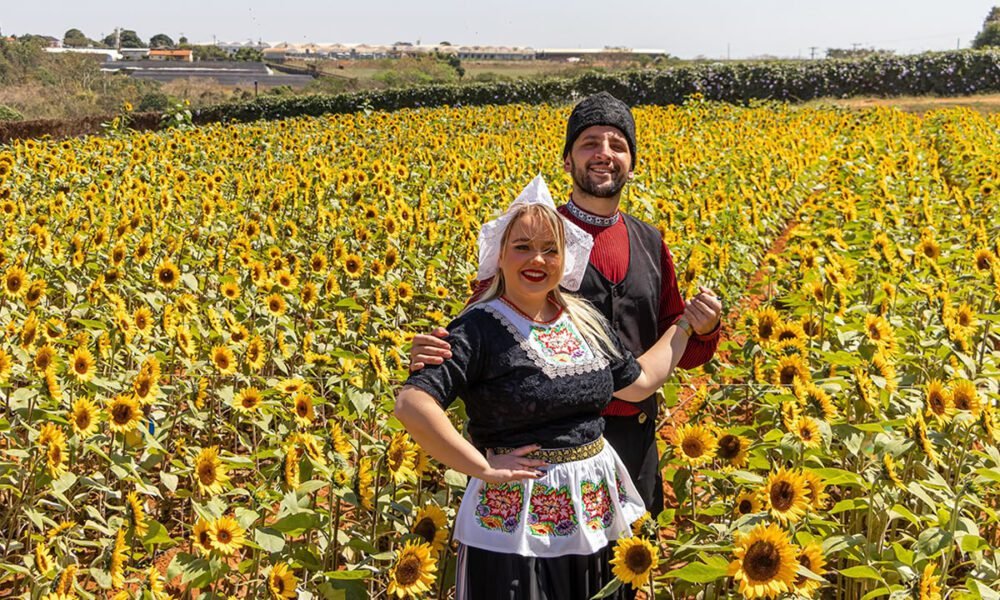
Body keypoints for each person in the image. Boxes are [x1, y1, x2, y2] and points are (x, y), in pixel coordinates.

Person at [410, 92, 723, 515]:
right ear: (567, 160)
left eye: (617, 145)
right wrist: (432, 355)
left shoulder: (649, 241)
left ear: (632, 164)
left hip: (632, 437)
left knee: (623, 571)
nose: (604, 154)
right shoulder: (534, 236)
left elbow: (674, 346)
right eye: (590, 143)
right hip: (539, 449)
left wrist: (699, 327)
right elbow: (479, 326)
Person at [395, 176, 696, 598]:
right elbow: (412, 403)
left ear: (565, 259)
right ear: (499, 256)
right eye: (522, 246)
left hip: (594, 510)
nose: (537, 259)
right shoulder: (478, 327)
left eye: (550, 249)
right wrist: (480, 467)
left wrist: (684, 325)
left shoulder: (584, 320)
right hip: (515, 521)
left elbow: (639, 382)